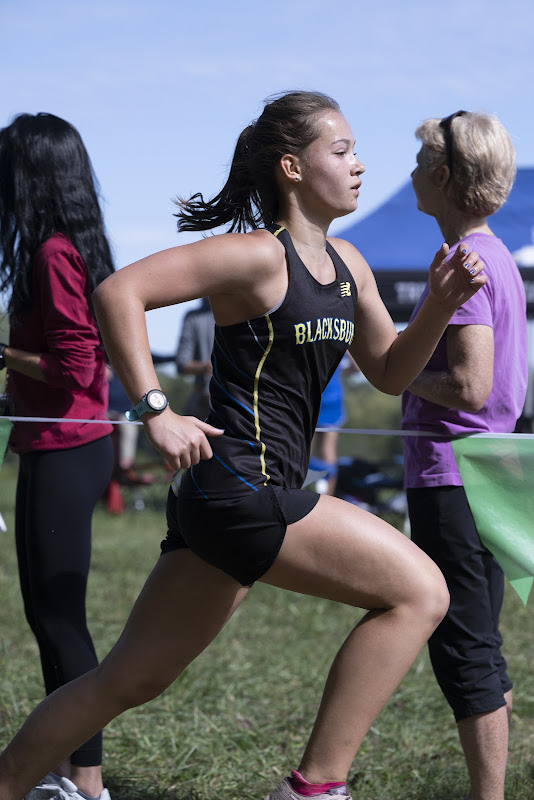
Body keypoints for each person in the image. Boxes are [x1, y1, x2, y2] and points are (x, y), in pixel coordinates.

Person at [0, 90, 485, 800]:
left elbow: (387, 373)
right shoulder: (257, 255)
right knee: (421, 591)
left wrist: (438, 308)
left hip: (236, 498)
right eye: (341, 150)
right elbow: (118, 294)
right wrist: (156, 410)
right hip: (240, 488)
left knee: (128, 680)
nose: (359, 164)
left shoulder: (349, 263)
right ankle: (315, 788)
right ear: (292, 167)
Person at [401, 110, 527, 800]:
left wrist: (397, 370)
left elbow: (470, 385)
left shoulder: (462, 263)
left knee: (464, 651)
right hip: (490, 474)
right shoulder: (498, 255)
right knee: (483, 643)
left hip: (453, 477)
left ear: (445, 176)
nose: (411, 174)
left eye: (420, 163)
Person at [0, 114, 115, 800]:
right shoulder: (65, 248)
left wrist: (1, 353)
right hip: (55, 444)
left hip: (69, 448)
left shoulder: (52, 253)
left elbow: (75, 367)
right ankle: (68, 770)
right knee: (46, 616)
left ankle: (88, 783)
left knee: (60, 618)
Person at [175, 297, 215, 420]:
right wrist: (208, 367)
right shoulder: (193, 317)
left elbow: (182, 364)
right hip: (203, 400)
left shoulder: (239, 314)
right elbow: (182, 364)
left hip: (232, 398)